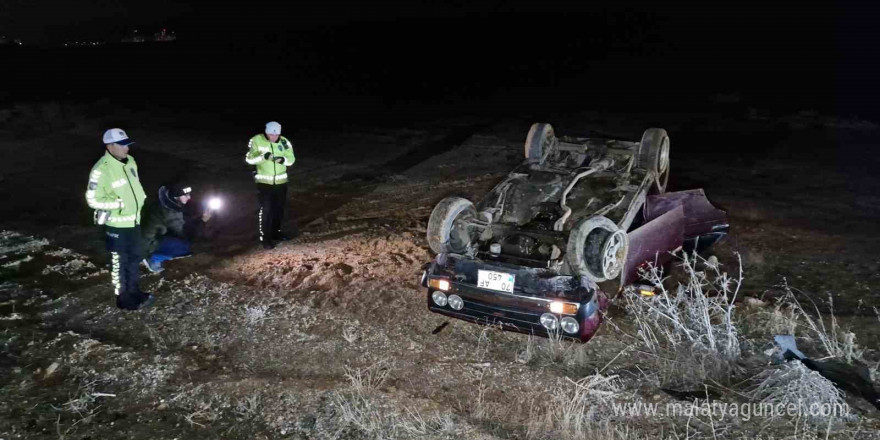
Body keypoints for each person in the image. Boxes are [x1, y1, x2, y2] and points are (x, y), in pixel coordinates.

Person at [85, 128, 153, 310]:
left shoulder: (131, 162)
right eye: (122, 145)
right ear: (109, 146)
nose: (127, 149)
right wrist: (119, 204)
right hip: (116, 226)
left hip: (134, 222)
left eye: (127, 144)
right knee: (119, 264)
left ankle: (135, 292)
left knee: (134, 259)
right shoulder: (101, 170)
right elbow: (93, 200)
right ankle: (123, 299)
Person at [244, 121, 298, 249]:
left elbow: (291, 159)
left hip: (281, 182)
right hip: (264, 183)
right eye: (270, 134)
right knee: (267, 210)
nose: (273, 137)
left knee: (278, 209)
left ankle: (276, 233)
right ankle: (265, 238)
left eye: (275, 135)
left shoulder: (284, 142)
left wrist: (282, 160)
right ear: (266, 131)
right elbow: (249, 158)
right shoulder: (257, 140)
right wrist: (264, 157)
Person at [140, 182, 212, 273]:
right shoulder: (169, 211)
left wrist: (198, 220)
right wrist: (203, 221)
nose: (189, 197)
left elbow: (183, 222)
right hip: (146, 245)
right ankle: (152, 258)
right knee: (187, 247)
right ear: (176, 196)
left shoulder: (165, 202)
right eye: (185, 195)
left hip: (145, 237)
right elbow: (184, 233)